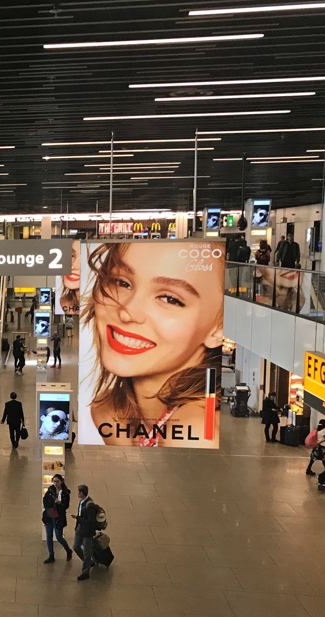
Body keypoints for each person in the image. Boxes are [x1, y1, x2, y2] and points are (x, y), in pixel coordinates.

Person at [80, 241, 225, 448]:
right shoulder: (107, 410)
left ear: (219, 328)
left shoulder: (197, 431)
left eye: (169, 299)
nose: (127, 311)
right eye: (121, 282)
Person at [42, 474, 73, 564]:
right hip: (50, 515)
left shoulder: (65, 493)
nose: (55, 483)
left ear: (61, 481)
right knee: (49, 536)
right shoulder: (51, 489)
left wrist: (60, 503)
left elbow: (66, 505)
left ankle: (68, 550)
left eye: (57, 481)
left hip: (59, 516)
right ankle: (51, 555)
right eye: (54, 481)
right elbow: (45, 500)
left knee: (59, 536)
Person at [73, 484, 99, 581]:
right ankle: (88, 562)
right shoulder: (82, 501)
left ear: (82, 493)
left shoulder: (89, 505)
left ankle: (85, 571)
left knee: (87, 551)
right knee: (76, 547)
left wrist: (78, 518)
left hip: (87, 531)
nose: (77, 494)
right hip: (80, 528)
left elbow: (91, 522)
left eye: (79, 492)